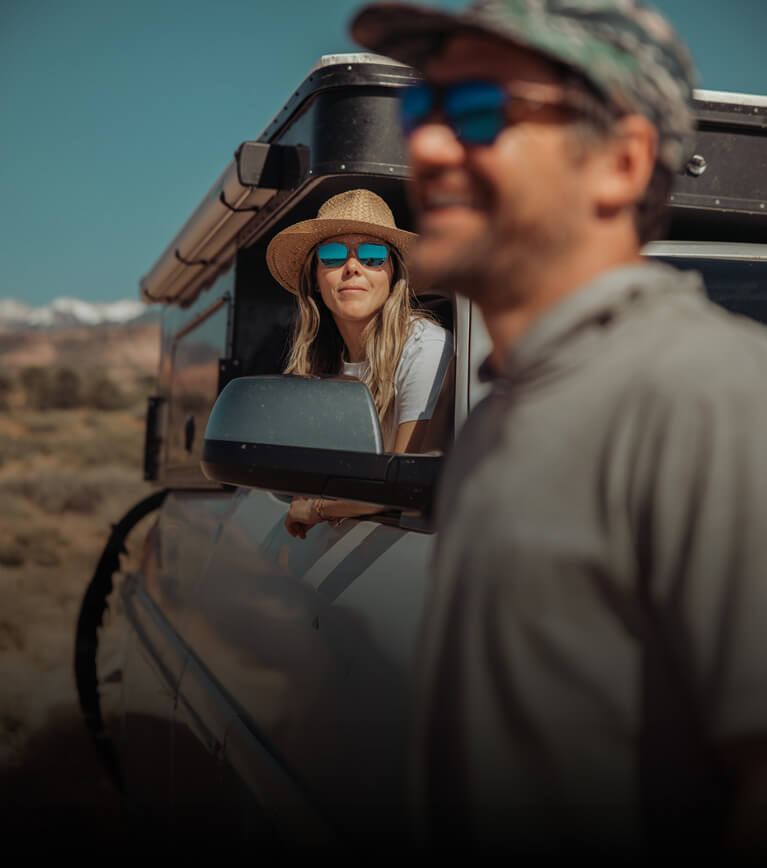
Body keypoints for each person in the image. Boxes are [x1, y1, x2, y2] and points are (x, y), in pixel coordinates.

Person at [351, 0, 767, 861]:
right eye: (423, 107)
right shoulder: (502, 411)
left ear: (620, 163)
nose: (427, 146)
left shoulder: (711, 395)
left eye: (480, 110)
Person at [266, 188, 453, 538]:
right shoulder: (319, 366)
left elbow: (401, 483)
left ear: (392, 274)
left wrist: (318, 509)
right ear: (315, 279)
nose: (352, 266)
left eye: (372, 255)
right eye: (332, 255)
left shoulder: (425, 347)